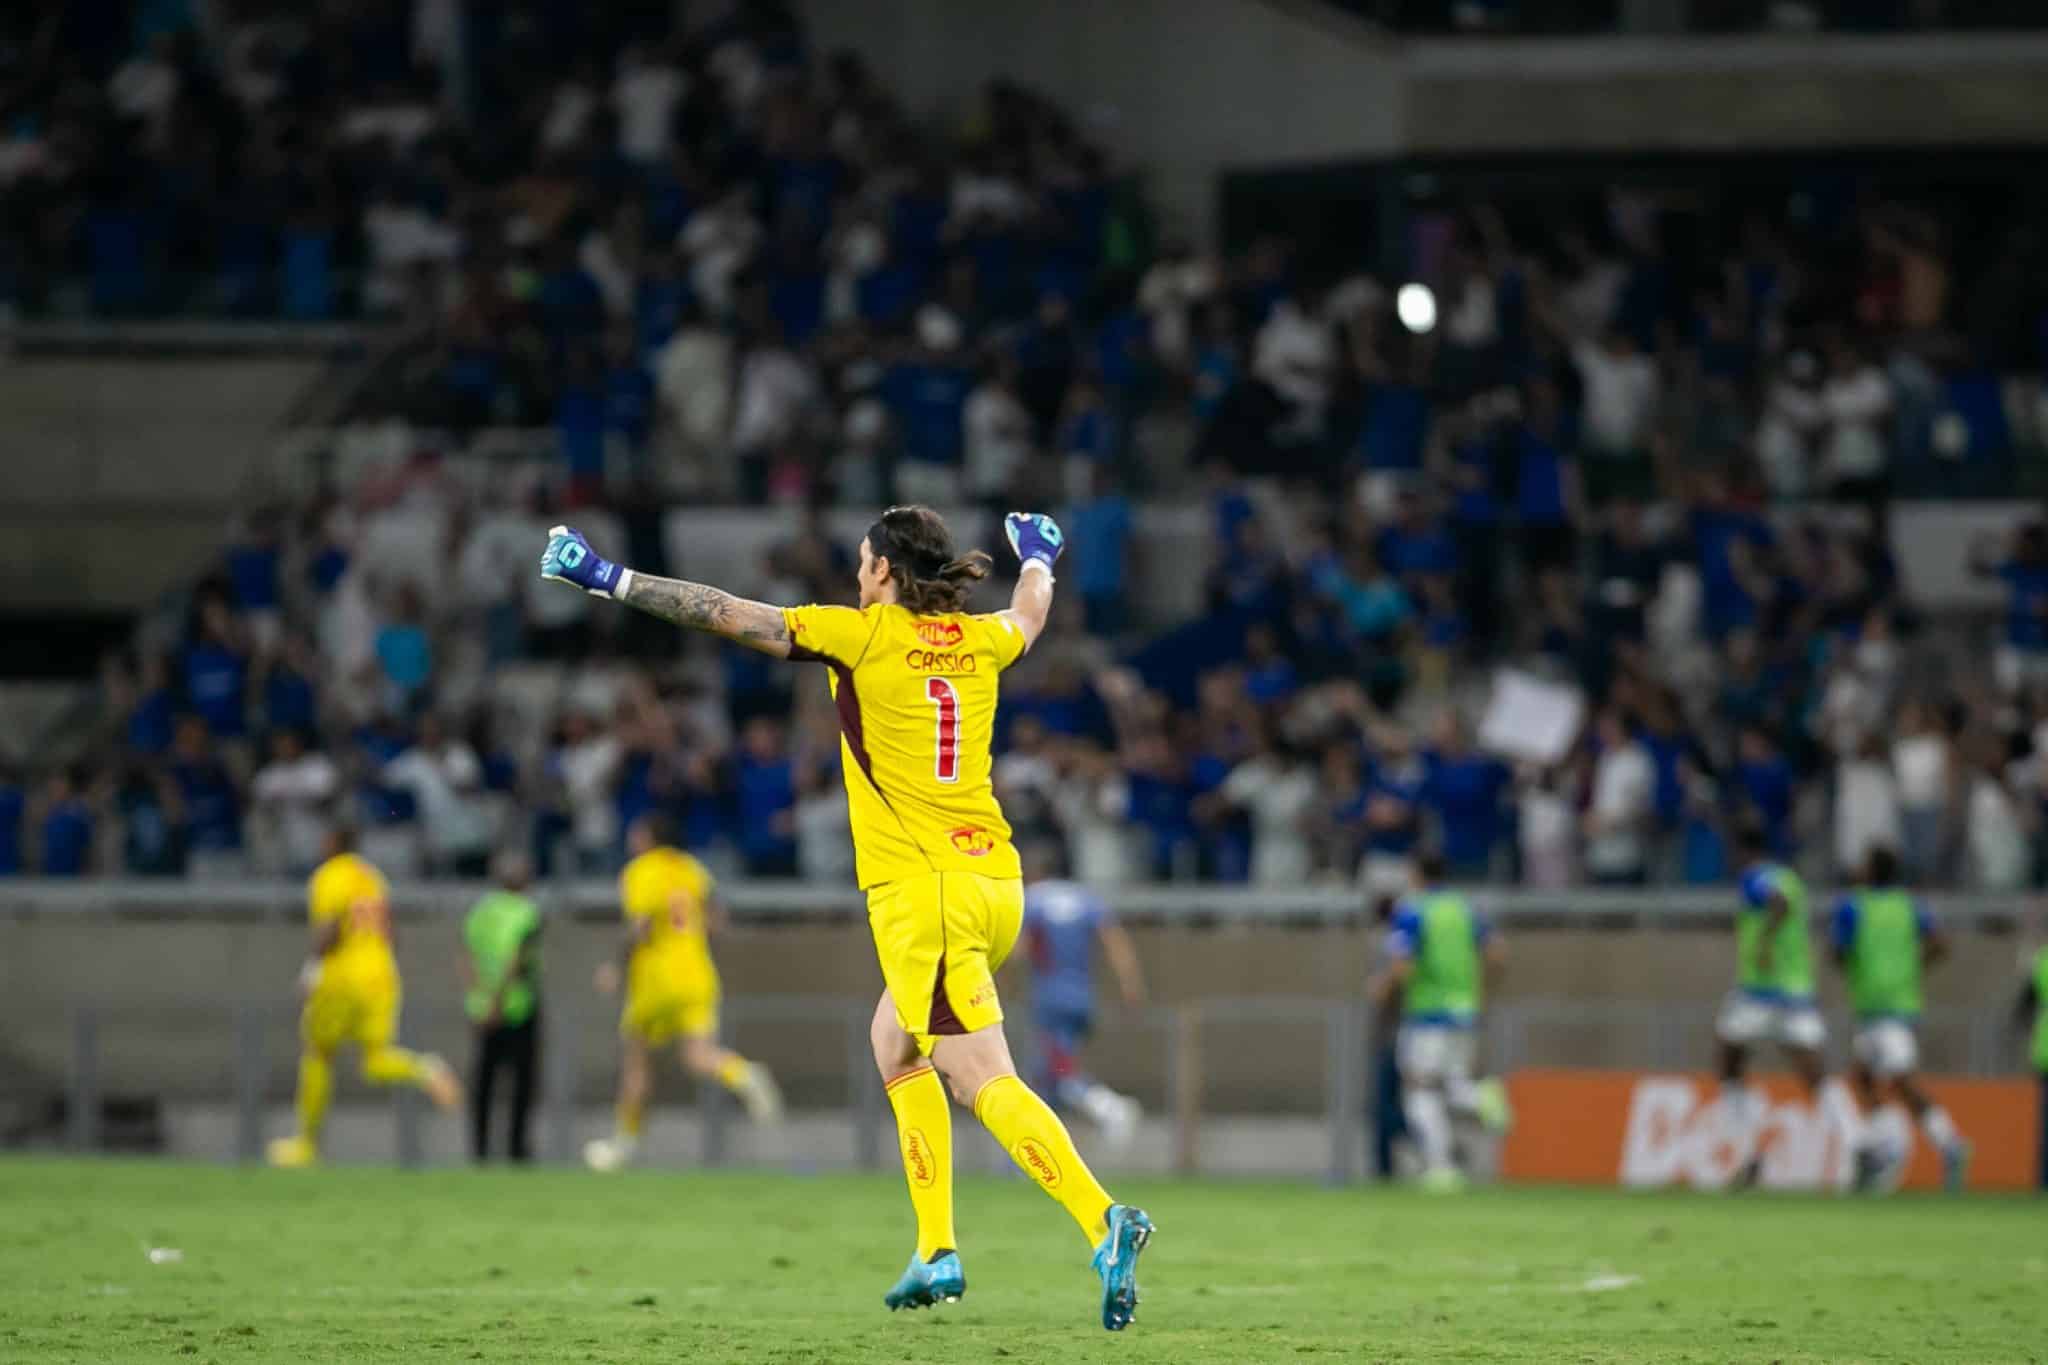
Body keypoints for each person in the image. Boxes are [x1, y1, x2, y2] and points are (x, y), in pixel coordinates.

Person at [540, 505, 1155, 1332]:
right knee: (893, 1041)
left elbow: (726, 612)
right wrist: (1040, 552)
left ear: (884, 574)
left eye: (863, 563)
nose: (856, 575)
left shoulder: (860, 635)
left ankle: (1101, 1217)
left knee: (981, 1078)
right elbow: (1031, 612)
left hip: (925, 896)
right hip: (993, 880)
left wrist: (607, 578)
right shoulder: (980, 640)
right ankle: (936, 1246)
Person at [582, 814, 783, 1171]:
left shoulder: (641, 871)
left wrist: (617, 967)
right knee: (698, 1055)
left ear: (646, 837)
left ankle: (622, 1147)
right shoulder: (692, 868)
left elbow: (641, 926)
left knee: (636, 1063)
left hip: (655, 979)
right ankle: (744, 1074)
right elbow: (717, 919)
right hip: (697, 973)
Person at [266, 829, 462, 1167]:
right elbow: (391, 933)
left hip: (343, 975)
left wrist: (310, 971)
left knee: (318, 1054)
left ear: (331, 843)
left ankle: (307, 1145)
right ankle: (425, 1069)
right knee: (375, 1059)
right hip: (382, 974)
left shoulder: (329, 875)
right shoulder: (373, 877)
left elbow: (328, 929)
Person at [1369, 850, 1511, 1192]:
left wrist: (1382, 988)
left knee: (1419, 1090)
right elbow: (1497, 952)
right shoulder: (1463, 909)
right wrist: (1477, 990)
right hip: (1465, 1011)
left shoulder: (1413, 911)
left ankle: (1443, 1166)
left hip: (1427, 1014)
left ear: (1416, 875)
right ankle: (1479, 1097)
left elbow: (1402, 963)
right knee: (1446, 1083)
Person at [1829, 846, 1969, 1193]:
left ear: (1871, 870)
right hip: (1892, 1004)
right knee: (1862, 1077)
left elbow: (1837, 951)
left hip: (1881, 1007)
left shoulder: (1853, 905)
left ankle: (1950, 1144)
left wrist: (1853, 966)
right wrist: (1912, 969)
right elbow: (1940, 944)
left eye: (1863, 863)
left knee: (1900, 1081)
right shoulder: (1910, 906)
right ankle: (1879, 1149)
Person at [1714, 822, 1832, 1190]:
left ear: (1741, 850)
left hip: (1761, 992)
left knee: (1728, 1058)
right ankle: (1859, 1142)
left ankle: (1748, 1149)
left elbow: (1775, 904)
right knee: (1813, 1071)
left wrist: (1764, 941)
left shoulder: (1755, 877)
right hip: (1797, 990)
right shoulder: (1791, 878)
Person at [1020, 849, 1147, 1147]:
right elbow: (1115, 942)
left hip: (1049, 998)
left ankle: (1109, 1107)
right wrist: (1130, 984)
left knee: (1057, 1071)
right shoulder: (1086, 899)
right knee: (1045, 1075)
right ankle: (1033, 1155)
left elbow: (1020, 949)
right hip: (1082, 996)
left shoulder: (1032, 900)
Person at [461, 850, 544, 1163]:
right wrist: (497, 1001)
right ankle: (516, 1151)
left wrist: (478, 996)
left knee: (483, 1081)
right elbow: (516, 960)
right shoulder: (526, 911)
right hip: (516, 1007)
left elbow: (467, 954)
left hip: (482, 1006)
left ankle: (479, 1150)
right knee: (521, 1082)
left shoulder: (481, 911)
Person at [2012, 911, 2048, 1190]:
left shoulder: (2042, 961)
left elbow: (2023, 1010)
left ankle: (2043, 1182)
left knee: (2045, 1126)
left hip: (2044, 1050)